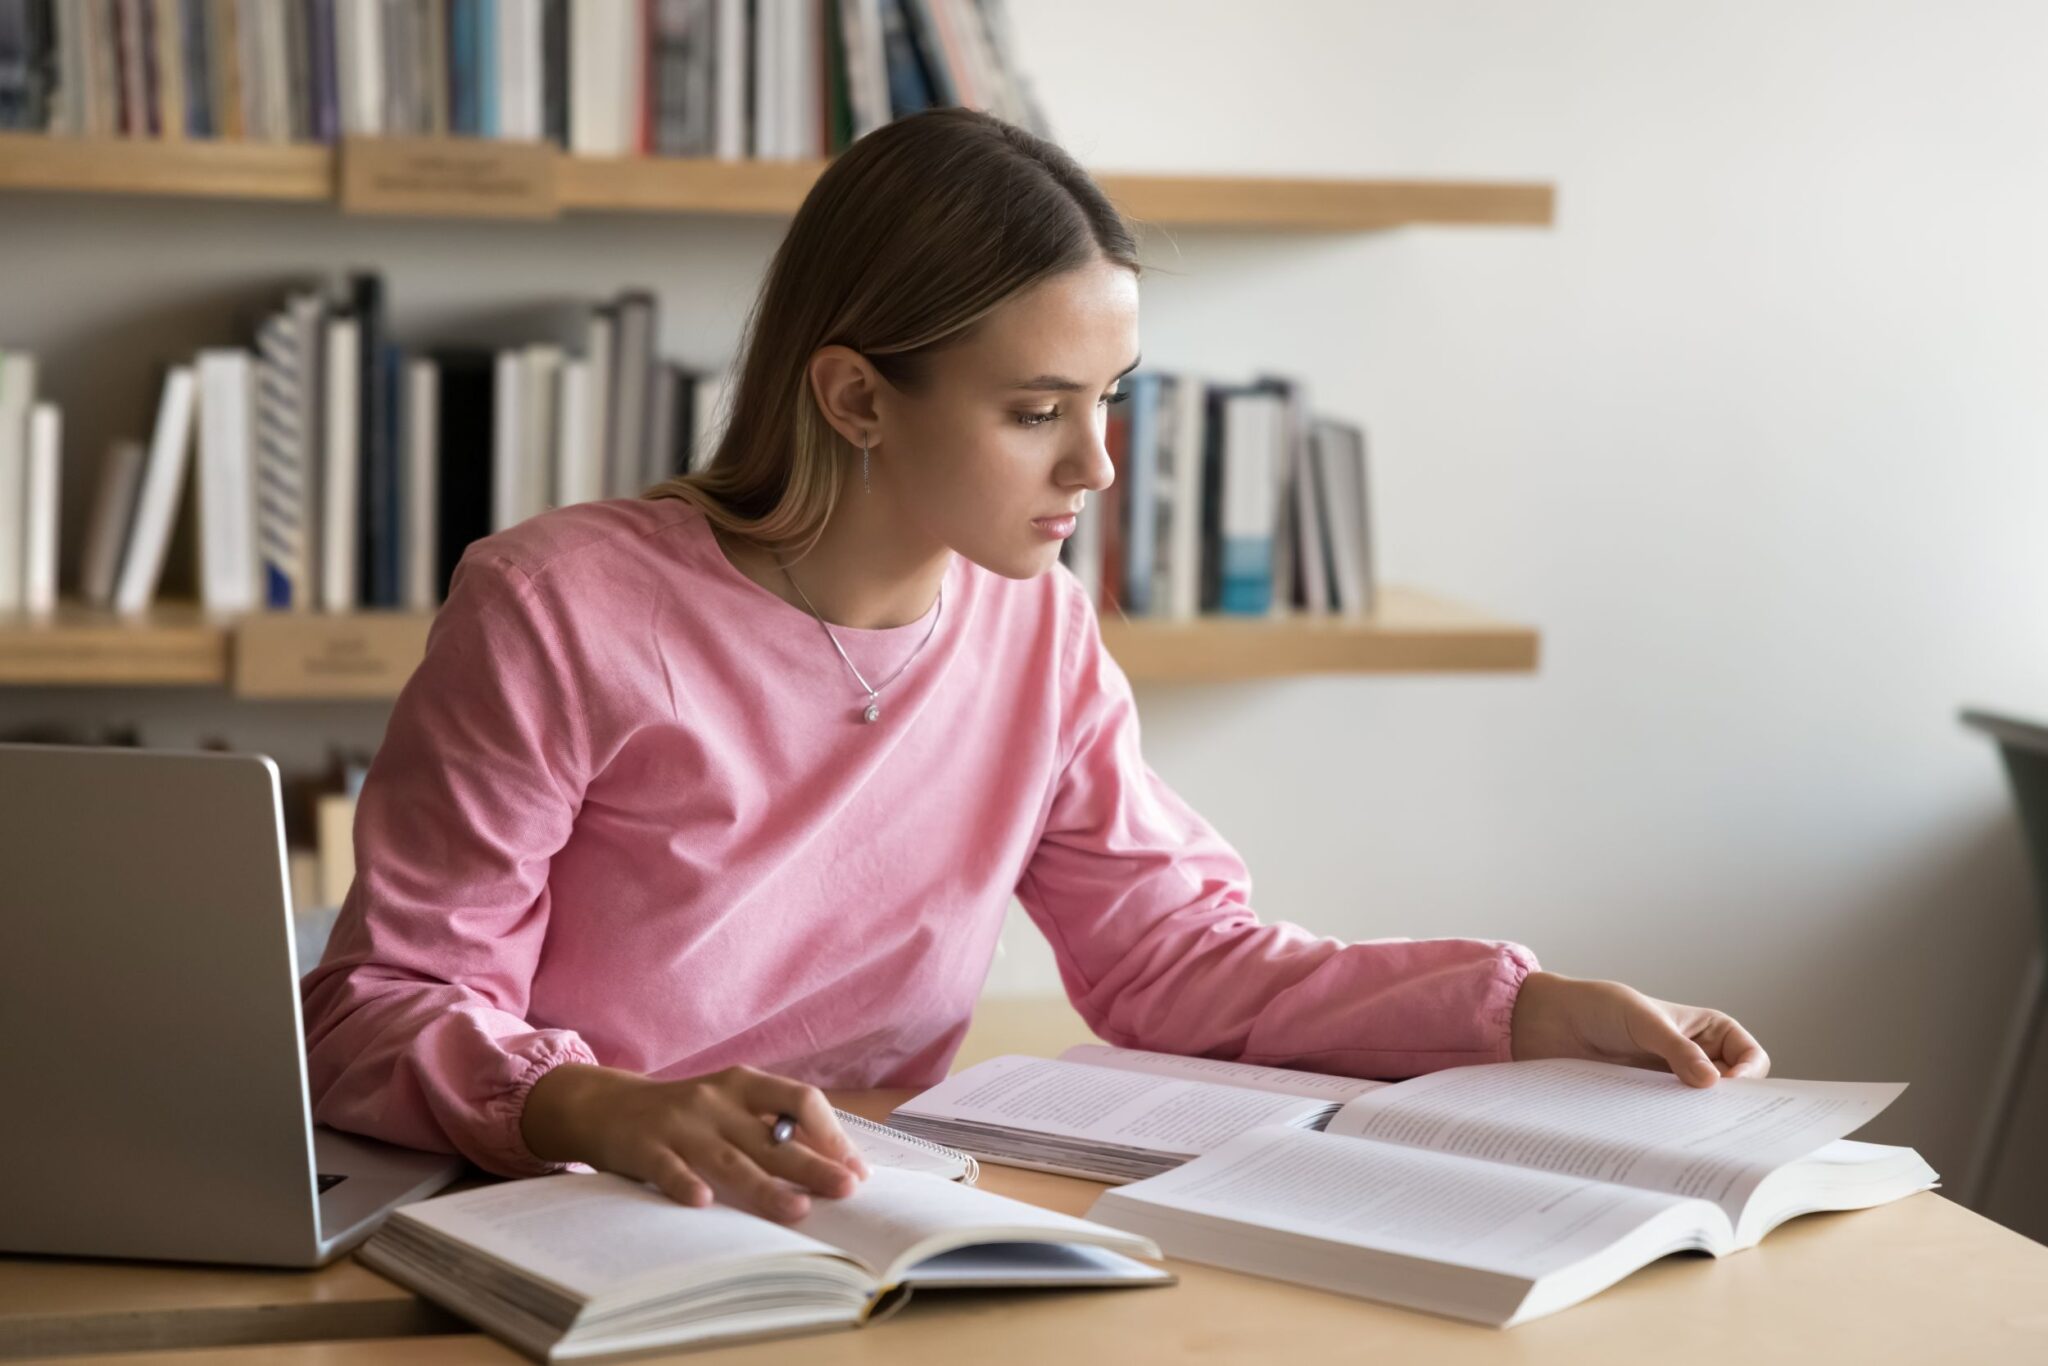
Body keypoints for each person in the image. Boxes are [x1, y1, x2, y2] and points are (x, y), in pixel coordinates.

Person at [300, 108, 1769, 1228]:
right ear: (857, 395)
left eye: (1111, 400)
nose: (1099, 464)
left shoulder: (1037, 626)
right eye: (1037, 409)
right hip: (579, 1210)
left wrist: (1520, 1009)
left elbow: (1175, 956)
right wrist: (600, 1105)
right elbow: (384, 1003)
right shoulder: (556, 607)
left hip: (882, 1214)